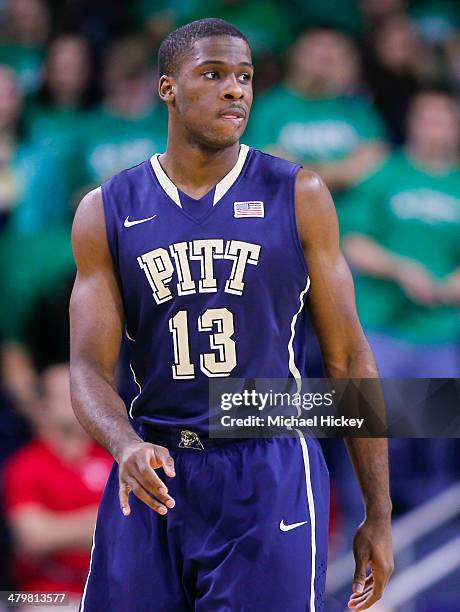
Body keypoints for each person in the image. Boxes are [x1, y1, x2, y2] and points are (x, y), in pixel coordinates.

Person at [70, 18, 393, 611]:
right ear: (167, 88)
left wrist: (379, 510)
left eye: (244, 77)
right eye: (213, 75)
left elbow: (349, 358)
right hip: (155, 463)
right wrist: (122, 444)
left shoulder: (298, 193)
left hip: (265, 463)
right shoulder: (106, 209)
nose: (235, 90)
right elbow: (89, 369)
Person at [343, 89, 460, 377]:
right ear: (411, 123)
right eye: (428, 120)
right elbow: (353, 243)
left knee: (438, 423)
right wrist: (399, 269)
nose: (435, 130)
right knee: (364, 421)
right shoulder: (384, 173)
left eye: (443, 122)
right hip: (379, 327)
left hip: (440, 333)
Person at [2, 363, 112, 602]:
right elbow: (35, 538)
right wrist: (103, 520)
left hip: (109, 586)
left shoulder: (112, 459)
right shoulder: (25, 464)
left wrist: (60, 528)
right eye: (65, 394)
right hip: (45, 593)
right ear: (43, 406)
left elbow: (134, 529)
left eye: (79, 390)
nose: (76, 399)